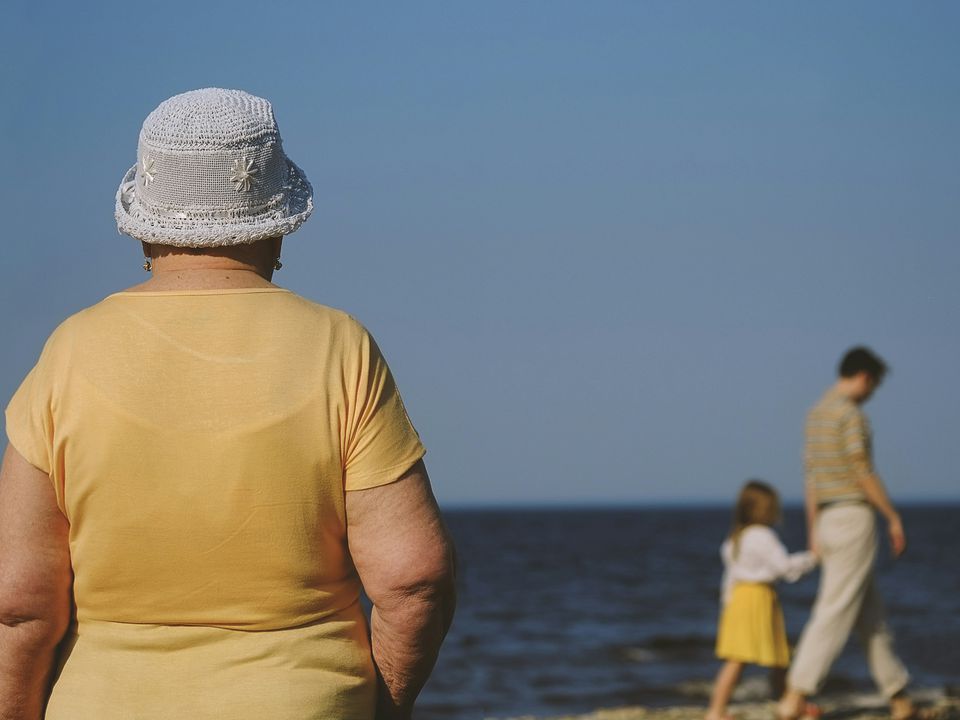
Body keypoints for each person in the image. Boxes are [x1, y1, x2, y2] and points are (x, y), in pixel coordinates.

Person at [0, 88, 456, 720]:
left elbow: (20, 602)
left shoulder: (69, 352)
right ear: (275, 223)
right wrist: (384, 709)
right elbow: (413, 579)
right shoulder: (338, 346)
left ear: (145, 225)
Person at [778, 347, 917, 720]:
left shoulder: (815, 414)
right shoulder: (850, 415)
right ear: (865, 377)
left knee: (871, 616)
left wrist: (813, 531)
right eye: (874, 385)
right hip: (853, 517)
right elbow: (861, 468)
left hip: (826, 519)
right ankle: (795, 695)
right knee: (834, 610)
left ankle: (900, 699)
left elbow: (811, 478)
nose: (872, 393)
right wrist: (892, 516)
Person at [705, 480, 818, 720]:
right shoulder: (762, 535)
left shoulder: (736, 537)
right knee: (770, 658)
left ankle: (721, 708)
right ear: (768, 510)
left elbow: (731, 575)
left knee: (755, 659)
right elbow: (784, 568)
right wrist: (811, 558)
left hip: (738, 599)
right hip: (758, 598)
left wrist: (727, 606)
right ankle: (719, 711)